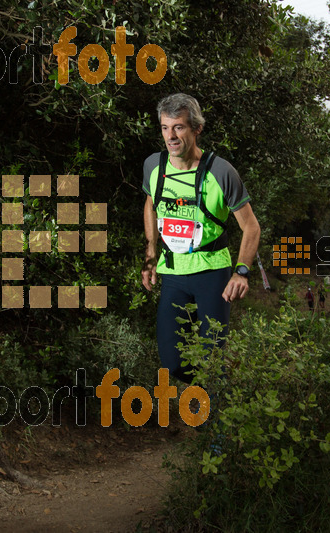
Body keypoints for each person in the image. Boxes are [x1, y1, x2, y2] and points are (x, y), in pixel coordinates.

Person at [141, 93, 261, 384]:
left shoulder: (220, 172)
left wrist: (242, 272)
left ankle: (216, 420)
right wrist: (150, 255)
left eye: (179, 127)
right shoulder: (154, 166)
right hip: (173, 274)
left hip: (212, 274)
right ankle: (200, 390)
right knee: (172, 361)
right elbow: (150, 204)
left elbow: (251, 227)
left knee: (213, 357)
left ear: (196, 129)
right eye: (165, 127)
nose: (171, 136)